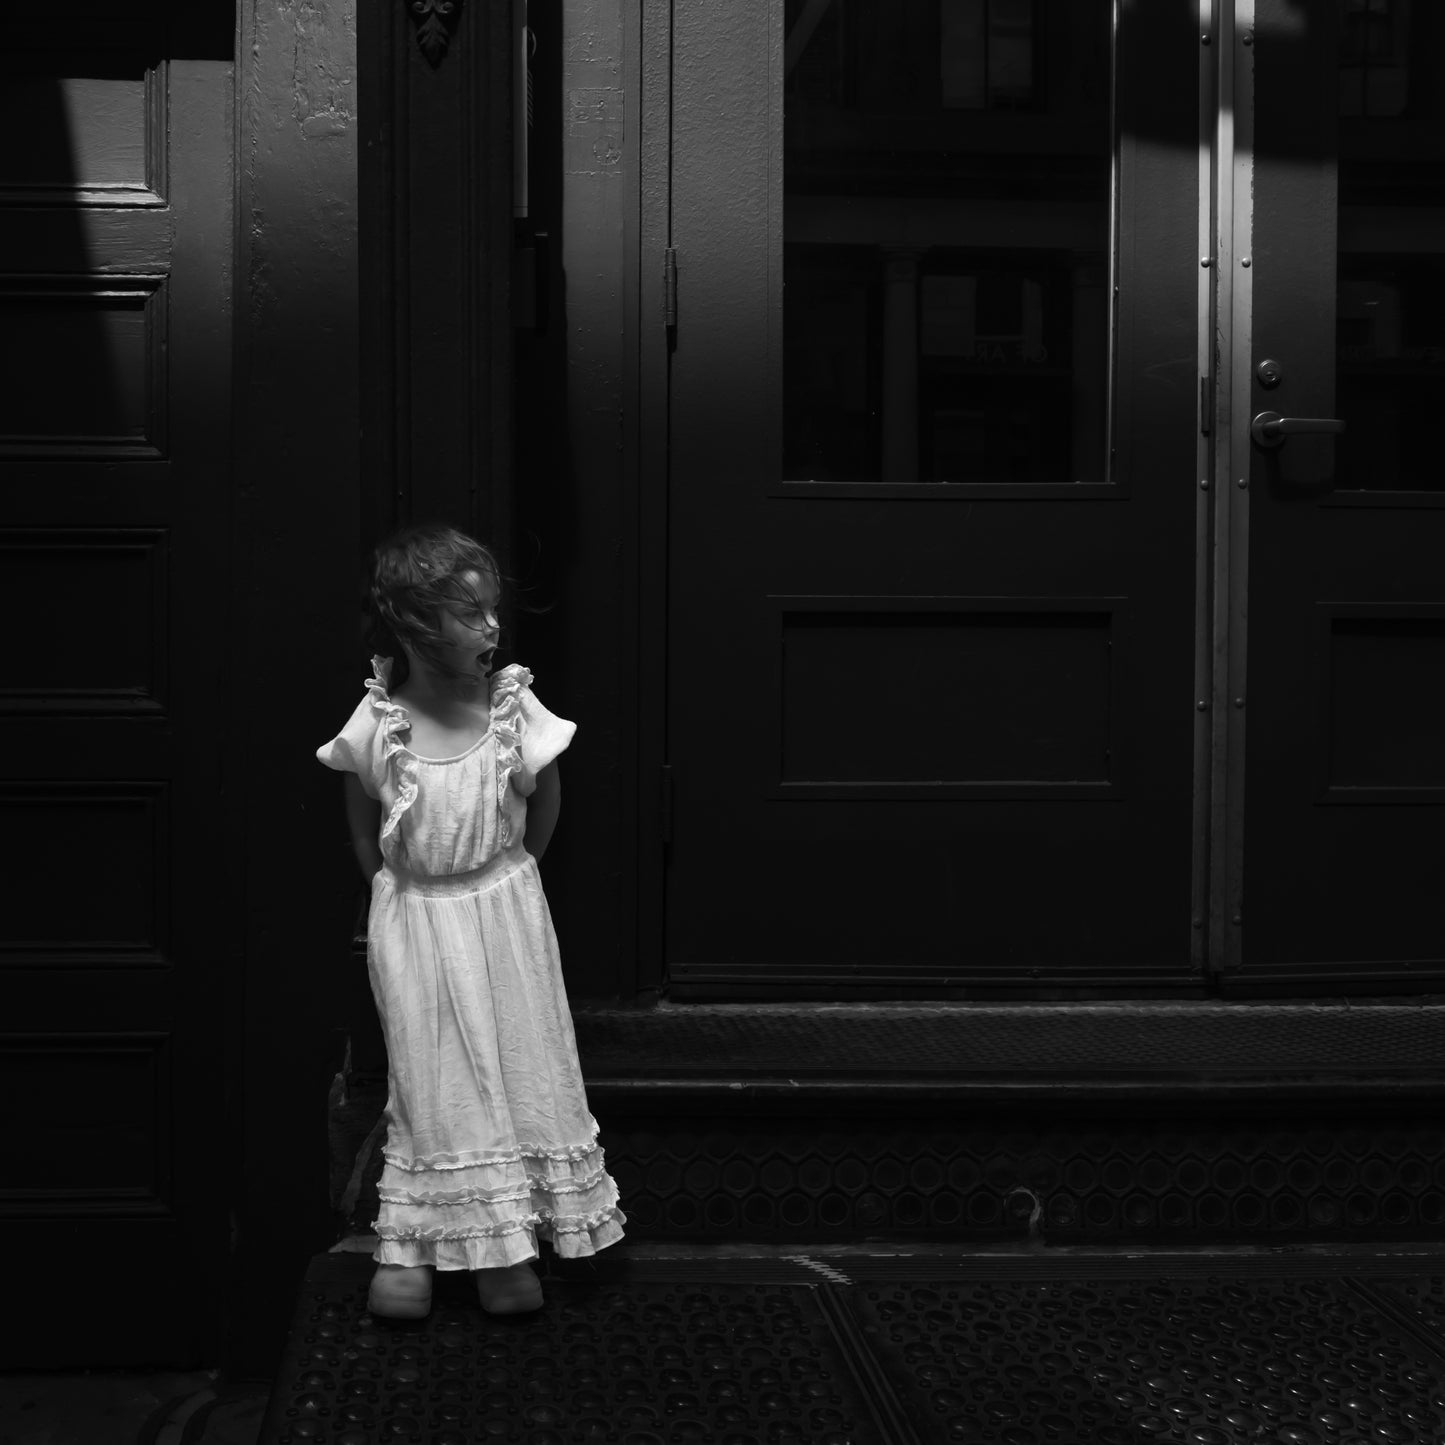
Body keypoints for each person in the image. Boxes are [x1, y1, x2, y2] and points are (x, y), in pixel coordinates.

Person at [316, 522, 626, 1318]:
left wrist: (500, 878)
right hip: (415, 916)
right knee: (430, 1078)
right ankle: (413, 1247)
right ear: (417, 626)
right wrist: (400, 890)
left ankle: (508, 1249)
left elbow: (544, 800)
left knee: (519, 1061)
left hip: (502, 912)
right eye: (469, 613)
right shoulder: (380, 714)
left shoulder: (508, 706)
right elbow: (360, 813)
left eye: (492, 610)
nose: (491, 626)